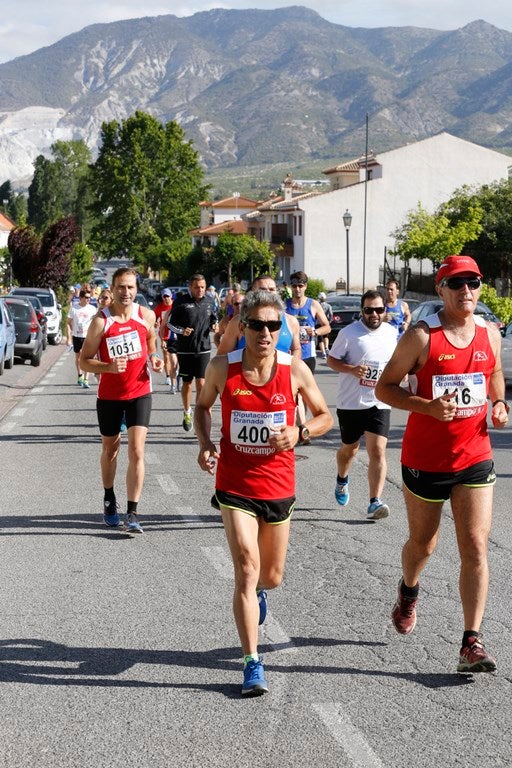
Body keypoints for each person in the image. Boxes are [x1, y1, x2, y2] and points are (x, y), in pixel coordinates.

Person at [194, 289, 333, 696]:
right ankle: (252, 662)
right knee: (246, 565)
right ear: (242, 327)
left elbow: (325, 416)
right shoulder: (222, 367)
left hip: (278, 485)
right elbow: (203, 407)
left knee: (270, 576)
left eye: (274, 325)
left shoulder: (294, 371)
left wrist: (300, 431)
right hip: (235, 484)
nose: (266, 333)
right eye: (257, 325)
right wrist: (205, 444)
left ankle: (258, 594)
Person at [375, 255, 508, 673]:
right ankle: (409, 590)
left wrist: (500, 402)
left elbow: (495, 374)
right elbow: (385, 388)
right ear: (441, 289)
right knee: (424, 545)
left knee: (475, 546)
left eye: (473, 283)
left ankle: (472, 641)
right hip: (426, 460)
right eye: (456, 283)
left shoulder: (490, 333)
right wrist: (426, 408)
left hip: (475, 457)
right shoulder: (421, 337)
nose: (466, 290)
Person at [80, 267, 164, 533]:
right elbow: (84, 360)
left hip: (140, 391)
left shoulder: (146, 316)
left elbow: (151, 339)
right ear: (113, 289)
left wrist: (153, 357)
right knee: (110, 450)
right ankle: (108, 497)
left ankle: (133, 512)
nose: (125, 292)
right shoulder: (101, 322)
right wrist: (107, 367)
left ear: (136, 289)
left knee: (137, 450)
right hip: (110, 396)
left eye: (130, 287)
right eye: (120, 287)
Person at [327, 289, 398, 519]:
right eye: (369, 310)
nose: (374, 314)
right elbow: (331, 359)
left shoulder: (391, 332)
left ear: (384, 311)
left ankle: (374, 501)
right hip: (351, 402)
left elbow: (395, 362)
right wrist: (351, 369)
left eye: (379, 309)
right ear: (362, 311)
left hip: (379, 400)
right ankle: (341, 479)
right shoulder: (349, 333)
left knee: (378, 451)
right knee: (350, 449)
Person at [168, 273, 218, 431]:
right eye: (197, 287)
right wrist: (182, 331)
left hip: (204, 349)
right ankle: (187, 411)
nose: (200, 290)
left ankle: (199, 415)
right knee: (188, 383)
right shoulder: (181, 302)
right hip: (185, 350)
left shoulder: (210, 301)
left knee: (202, 383)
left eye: (202, 287)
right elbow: (170, 324)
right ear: (190, 287)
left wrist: (214, 325)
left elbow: (213, 318)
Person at [215, 275, 301, 358]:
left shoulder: (291, 321)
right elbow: (222, 356)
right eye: (262, 289)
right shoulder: (238, 321)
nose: (268, 292)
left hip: (281, 372)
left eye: (272, 289)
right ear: (252, 292)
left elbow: (296, 349)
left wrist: (291, 366)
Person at [285, 271, 331, 372]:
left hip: (308, 355)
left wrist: (315, 332)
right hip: (288, 354)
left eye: (300, 286)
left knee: (306, 387)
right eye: (294, 286)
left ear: (305, 286)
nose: (297, 289)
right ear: (291, 287)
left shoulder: (313, 304)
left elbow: (327, 327)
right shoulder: (284, 305)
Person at [66, 289, 98, 388]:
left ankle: (86, 379)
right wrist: (69, 338)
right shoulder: (74, 308)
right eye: (87, 297)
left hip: (88, 336)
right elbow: (67, 323)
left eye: (90, 298)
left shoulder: (92, 309)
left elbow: (96, 322)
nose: (89, 299)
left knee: (88, 358)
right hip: (77, 336)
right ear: (81, 298)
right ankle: (80, 375)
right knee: (79, 358)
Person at [153, 288, 174, 387]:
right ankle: (168, 376)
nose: (166, 299)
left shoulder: (176, 306)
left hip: (176, 335)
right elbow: (154, 318)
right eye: (164, 296)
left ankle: (176, 371)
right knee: (166, 356)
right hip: (164, 335)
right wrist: (155, 322)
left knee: (176, 357)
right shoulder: (159, 308)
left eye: (167, 296)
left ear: (171, 296)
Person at [316, 291, 333, 358]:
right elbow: (331, 315)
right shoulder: (328, 306)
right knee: (326, 337)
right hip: (325, 323)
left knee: (320, 339)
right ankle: (326, 348)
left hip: (318, 323)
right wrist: (329, 322)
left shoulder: (317, 306)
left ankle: (323, 353)